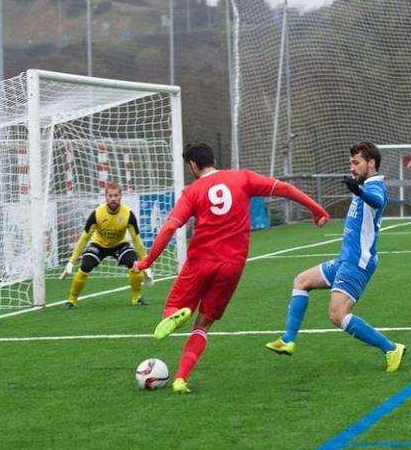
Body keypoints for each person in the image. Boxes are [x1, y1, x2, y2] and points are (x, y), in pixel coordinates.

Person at [133, 142, 330, 394]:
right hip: (232, 266)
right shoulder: (242, 178)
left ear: (193, 165)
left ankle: (176, 314)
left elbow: (171, 227)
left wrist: (147, 262)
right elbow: (285, 188)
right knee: (202, 326)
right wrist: (317, 209)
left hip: (200, 262)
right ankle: (181, 378)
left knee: (173, 309)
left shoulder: (192, 191)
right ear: (213, 159)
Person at [265, 142, 406, 372]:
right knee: (301, 281)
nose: (352, 168)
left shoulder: (374, 186)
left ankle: (391, 348)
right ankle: (288, 340)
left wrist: (359, 191)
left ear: (371, 163)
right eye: (351, 162)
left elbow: (377, 201)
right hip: (345, 259)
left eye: (356, 162)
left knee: (337, 314)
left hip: (357, 262)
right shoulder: (364, 184)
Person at [60, 182, 154, 308]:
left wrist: (145, 263)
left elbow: (136, 239)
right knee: (84, 267)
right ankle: (71, 300)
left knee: (135, 265)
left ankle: (136, 298)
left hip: (120, 245)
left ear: (120, 196)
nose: (113, 199)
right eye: (110, 196)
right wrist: (72, 261)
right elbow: (84, 238)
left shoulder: (128, 214)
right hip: (99, 245)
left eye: (116, 195)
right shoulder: (97, 213)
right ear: (106, 197)